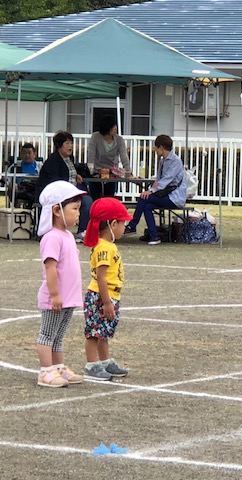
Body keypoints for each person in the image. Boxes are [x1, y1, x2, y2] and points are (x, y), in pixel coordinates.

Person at [35, 181, 87, 387]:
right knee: (47, 334)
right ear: (56, 210)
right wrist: (55, 294)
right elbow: (51, 268)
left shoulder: (67, 236)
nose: (78, 214)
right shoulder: (52, 238)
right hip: (55, 298)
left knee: (58, 336)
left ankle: (59, 367)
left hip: (68, 298)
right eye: (74, 209)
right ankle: (45, 371)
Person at [82, 197, 133, 380]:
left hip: (110, 296)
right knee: (94, 332)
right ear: (112, 224)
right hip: (100, 296)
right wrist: (106, 302)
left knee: (103, 332)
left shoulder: (108, 246)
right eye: (122, 223)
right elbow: (101, 277)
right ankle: (91, 364)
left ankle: (104, 361)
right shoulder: (104, 248)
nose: (124, 227)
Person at [123, 135, 187, 245]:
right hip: (165, 194)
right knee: (147, 206)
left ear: (161, 148)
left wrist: (151, 191)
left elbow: (166, 180)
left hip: (174, 197)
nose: (155, 151)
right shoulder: (163, 161)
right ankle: (154, 236)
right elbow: (158, 181)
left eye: (156, 148)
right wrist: (153, 188)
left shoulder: (175, 161)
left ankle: (132, 226)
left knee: (143, 199)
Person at [36, 131, 93, 242]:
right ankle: (81, 231)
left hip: (71, 192)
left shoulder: (69, 159)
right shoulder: (53, 161)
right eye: (67, 143)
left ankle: (82, 231)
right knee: (86, 201)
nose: (70, 146)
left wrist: (77, 175)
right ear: (59, 145)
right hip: (58, 195)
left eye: (71, 143)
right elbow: (56, 182)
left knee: (87, 199)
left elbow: (69, 172)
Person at [87, 115, 131, 200]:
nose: (116, 128)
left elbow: (124, 157)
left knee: (109, 197)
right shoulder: (95, 137)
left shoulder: (119, 140)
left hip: (112, 172)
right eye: (113, 126)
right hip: (97, 172)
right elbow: (91, 156)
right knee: (94, 197)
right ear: (107, 128)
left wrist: (128, 171)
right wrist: (92, 172)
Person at [6, 143, 39, 208]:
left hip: (33, 189)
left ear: (34, 154)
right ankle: (16, 207)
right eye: (24, 153)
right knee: (11, 187)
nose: (27, 155)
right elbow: (7, 176)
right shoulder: (16, 165)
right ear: (21, 154)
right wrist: (12, 183)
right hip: (19, 189)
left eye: (29, 153)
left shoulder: (39, 166)